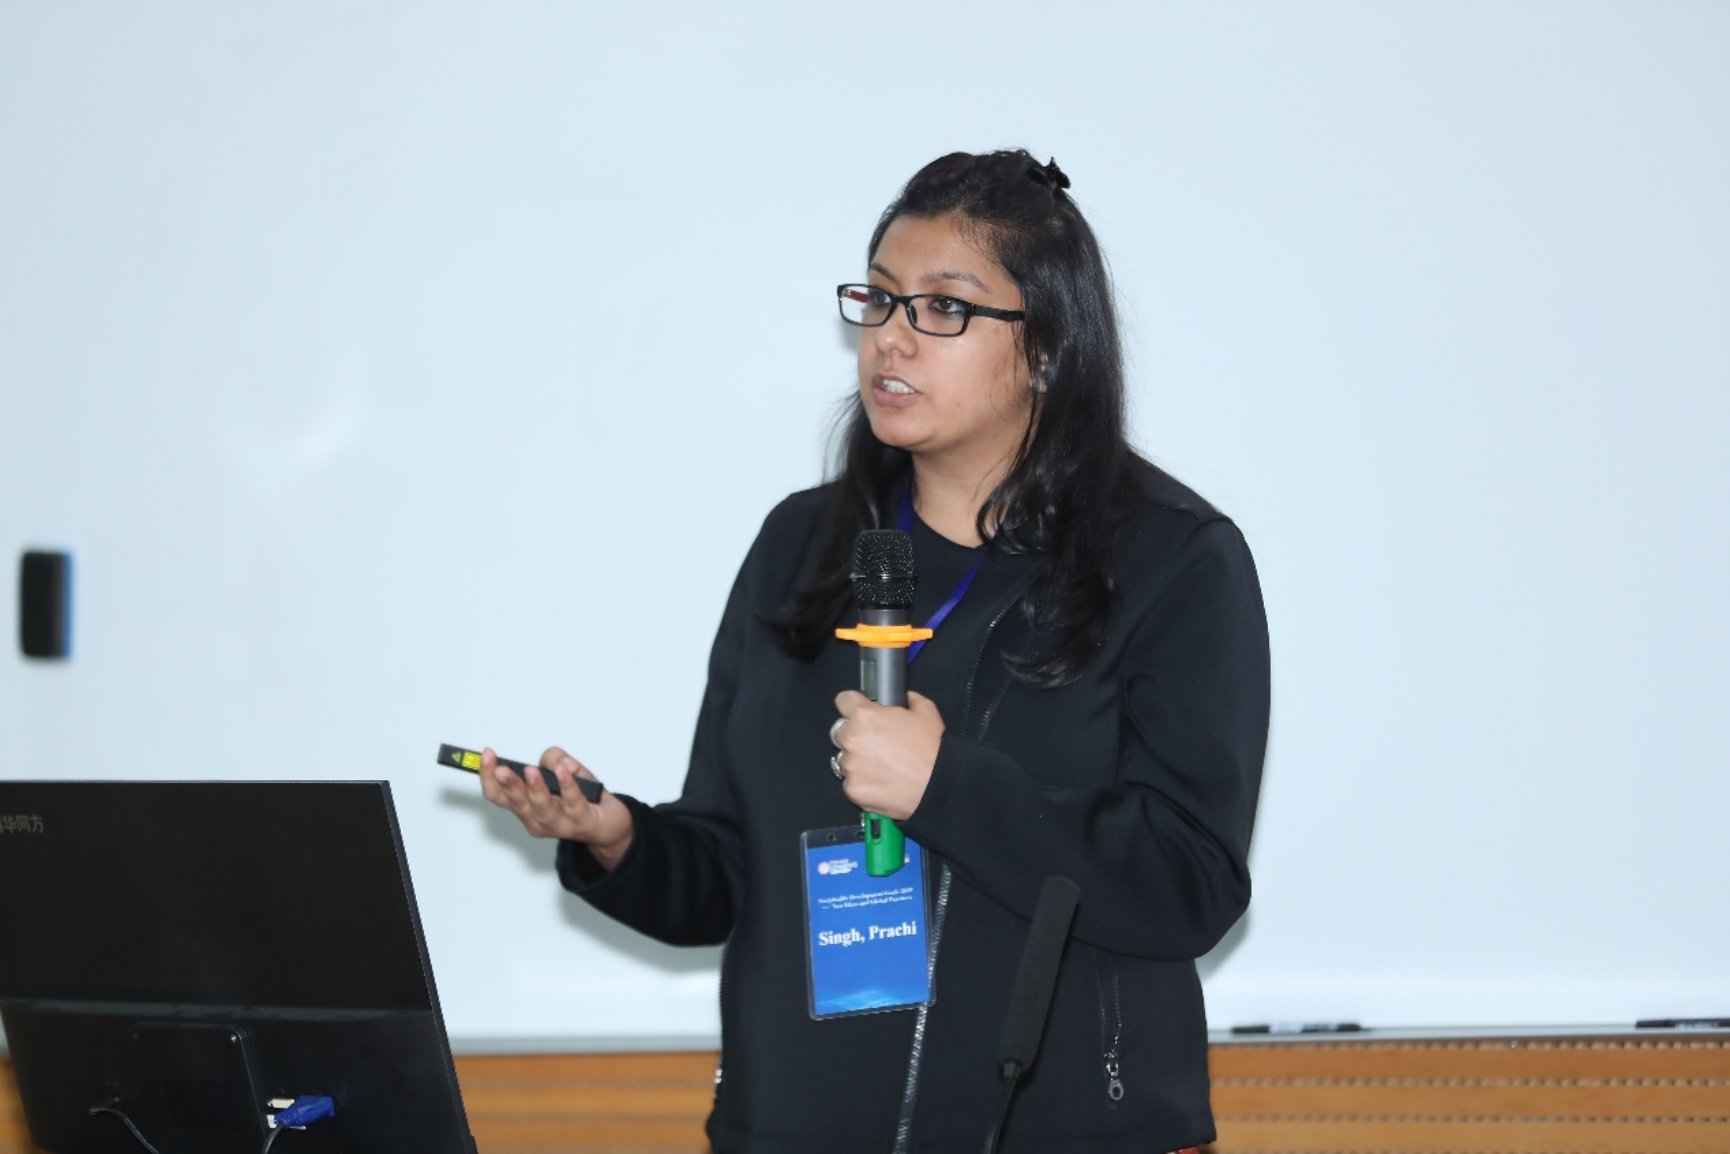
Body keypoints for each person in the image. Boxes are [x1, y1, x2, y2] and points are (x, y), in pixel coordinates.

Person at [479, 149, 1269, 1154]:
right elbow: (730, 866)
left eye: (943, 308)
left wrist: (945, 786)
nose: (891, 336)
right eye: (881, 299)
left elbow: (1188, 882)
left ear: (1044, 345)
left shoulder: (1168, 560)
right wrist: (617, 839)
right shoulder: (801, 547)